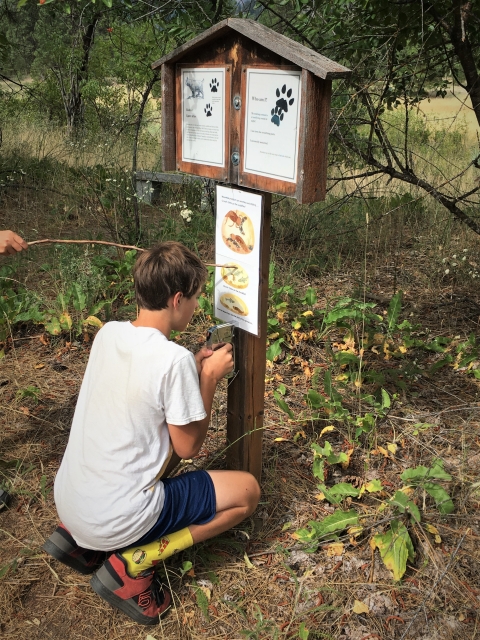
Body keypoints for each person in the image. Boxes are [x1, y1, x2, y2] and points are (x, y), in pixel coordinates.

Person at [42, 241, 261, 626]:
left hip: (72, 504)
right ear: (177, 299)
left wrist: (190, 367)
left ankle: (80, 544)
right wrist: (207, 378)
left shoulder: (108, 333)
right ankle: (133, 564)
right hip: (119, 516)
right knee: (247, 493)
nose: (196, 307)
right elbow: (188, 447)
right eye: (194, 298)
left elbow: (141, 390)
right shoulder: (172, 359)